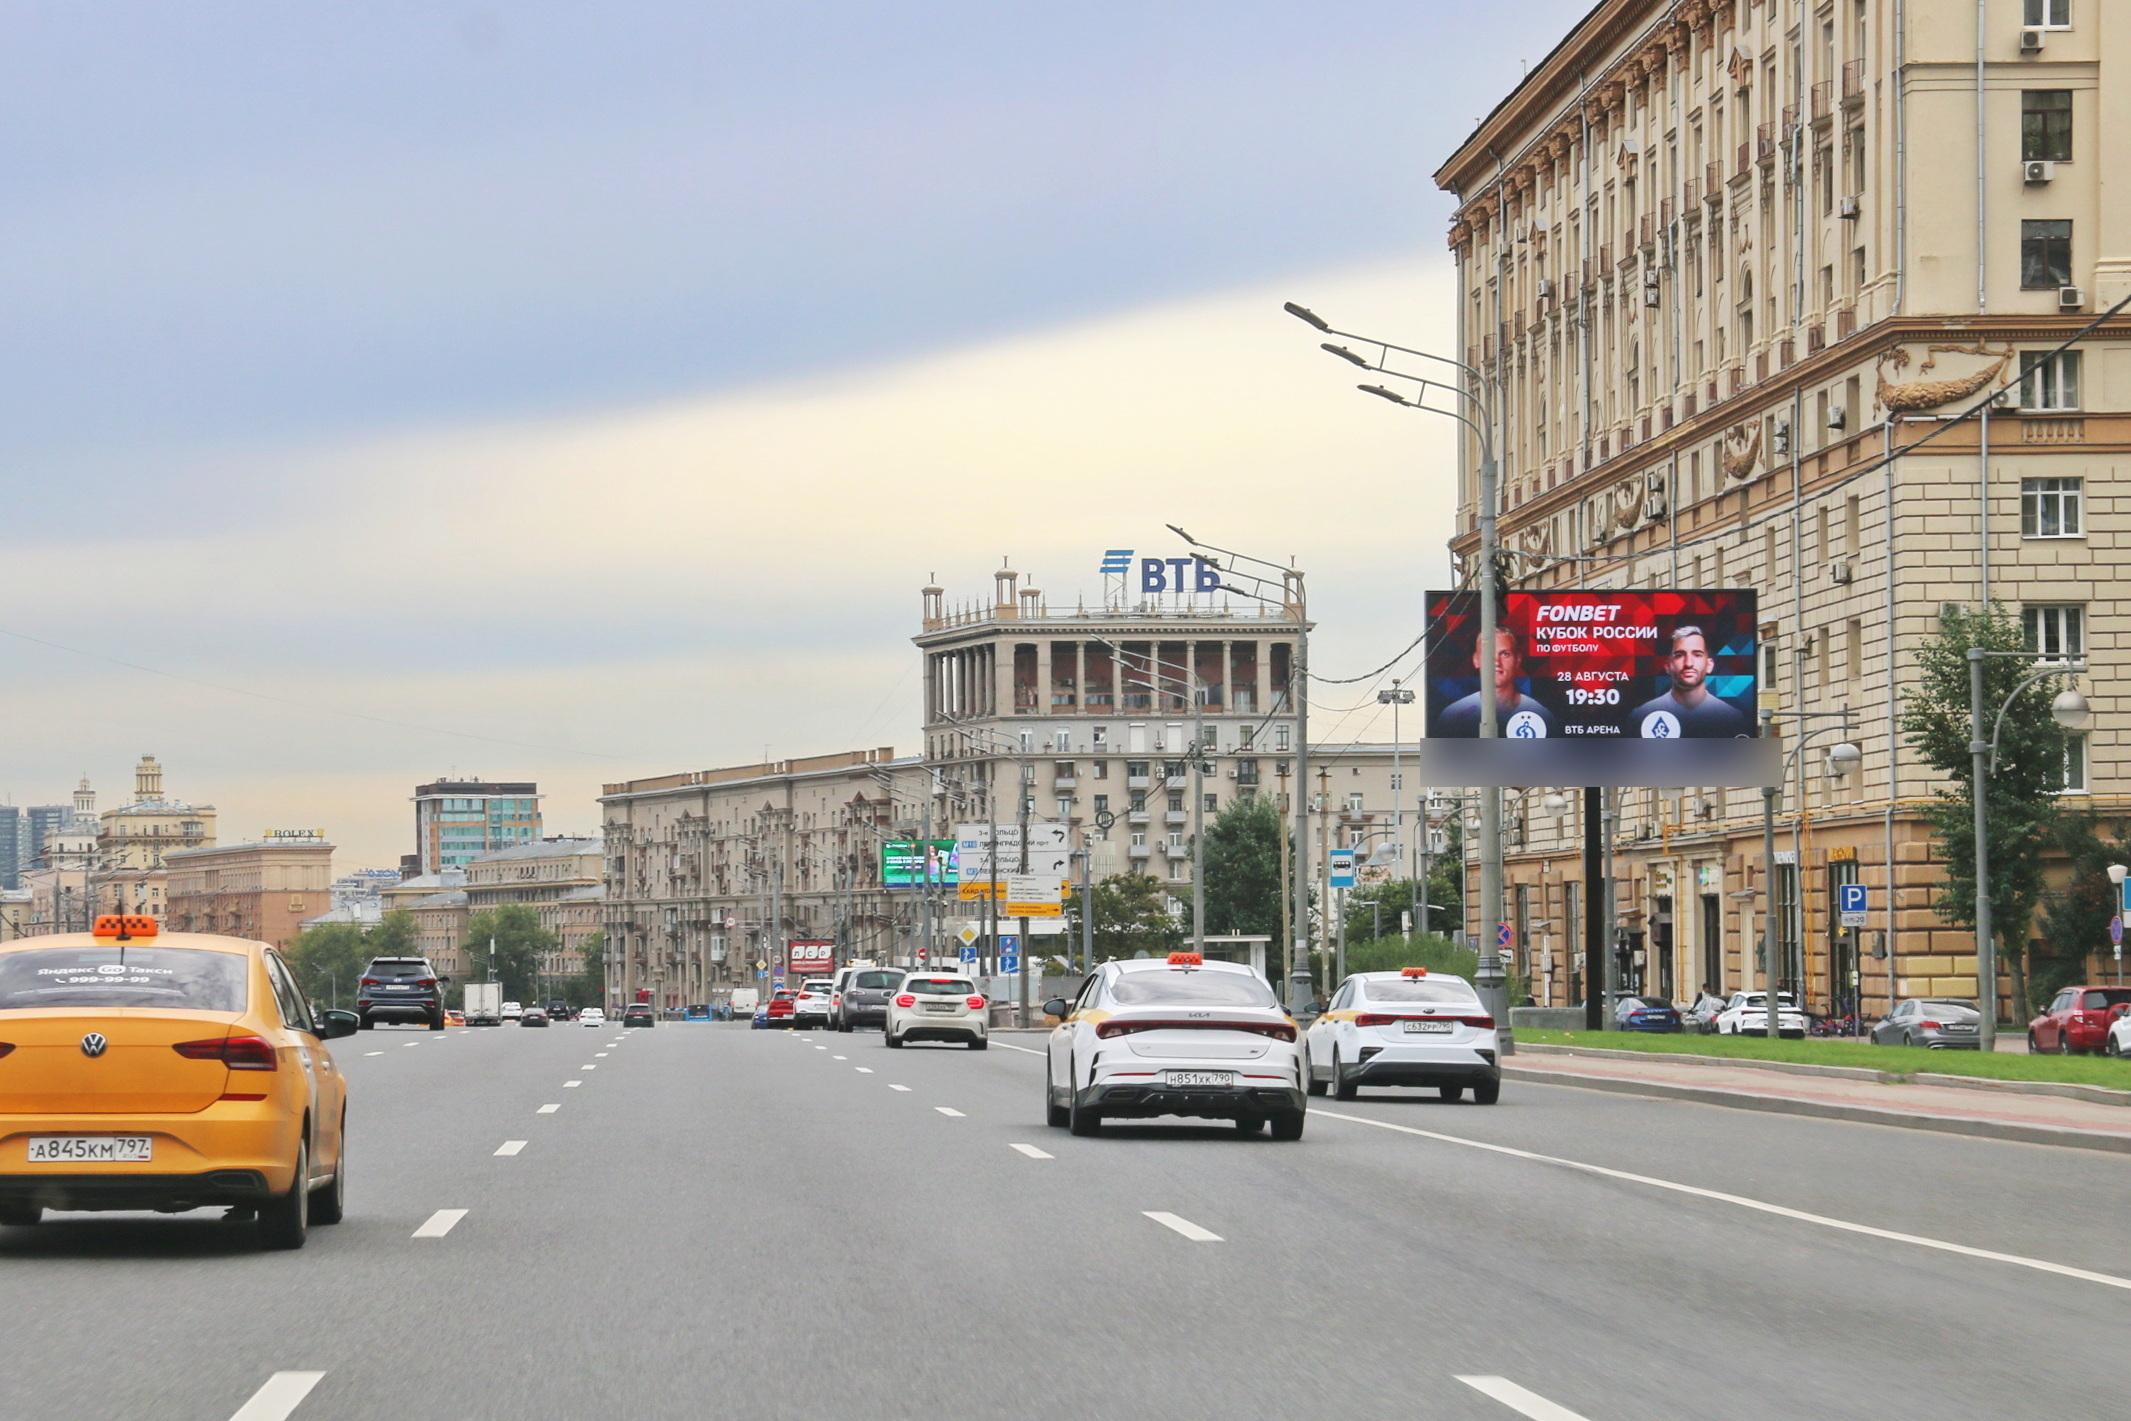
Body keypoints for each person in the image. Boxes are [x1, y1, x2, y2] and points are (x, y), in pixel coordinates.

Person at [1626, 624, 1750, 737]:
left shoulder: (1731, 718)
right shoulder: (1641, 716)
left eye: (1697, 655)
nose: (1688, 663)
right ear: (1668, 666)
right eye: (1679, 655)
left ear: (1709, 665)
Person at [1433, 627, 1558, 737]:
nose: (1496, 662)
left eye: (1505, 654)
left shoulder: (1541, 714)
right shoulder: (1452, 716)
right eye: (1488, 654)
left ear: (1517, 660)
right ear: (1476, 660)